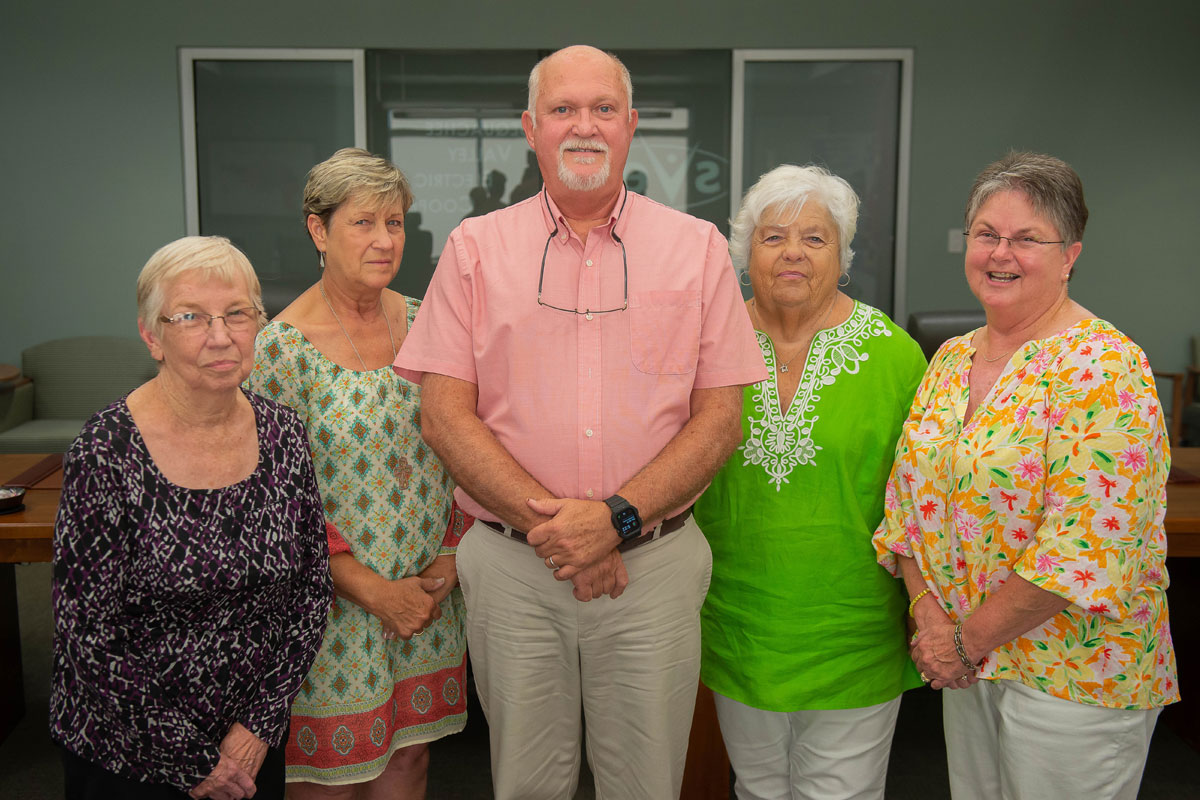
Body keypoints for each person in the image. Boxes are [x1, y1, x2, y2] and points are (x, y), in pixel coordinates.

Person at [394, 45, 767, 799]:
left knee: (646, 786)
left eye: (603, 109)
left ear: (632, 126)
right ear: (531, 128)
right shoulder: (473, 249)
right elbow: (443, 416)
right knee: (527, 784)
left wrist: (618, 520)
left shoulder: (697, 250)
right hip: (514, 573)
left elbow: (720, 420)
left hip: (653, 571)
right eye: (563, 109)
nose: (584, 126)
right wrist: (567, 532)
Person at [873, 152, 1179, 800]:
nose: (1000, 253)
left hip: (1075, 677)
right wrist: (931, 618)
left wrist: (961, 642)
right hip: (972, 662)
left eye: (1026, 239)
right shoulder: (952, 359)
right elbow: (906, 504)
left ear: (1070, 254)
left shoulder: (1106, 366)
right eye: (987, 233)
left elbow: (1083, 548)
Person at [50, 236, 332, 800]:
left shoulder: (283, 434)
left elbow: (310, 592)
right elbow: (89, 633)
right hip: (128, 753)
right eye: (191, 318)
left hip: (248, 746)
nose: (221, 335)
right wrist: (191, 760)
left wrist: (257, 728)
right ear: (151, 335)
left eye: (237, 313)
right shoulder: (106, 449)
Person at [696, 164, 926, 800]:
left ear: (843, 254)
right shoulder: (704, 343)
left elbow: (921, 500)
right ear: (746, 254)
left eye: (815, 238)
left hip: (854, 627)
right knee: (759, 788)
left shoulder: (895, 355)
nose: (793, 251)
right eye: (773, 237)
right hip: (739, 622)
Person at [246, 148, 468, 797]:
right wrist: (371, 590)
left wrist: (452, 558)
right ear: (319, 230)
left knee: (410, 761)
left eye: (394, 223)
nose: (383, 240)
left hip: (429, 594)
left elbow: (469, 444)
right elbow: (276, 502)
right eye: (363, 223)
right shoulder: (281, 350)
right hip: (334, 607)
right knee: (334, 776)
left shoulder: (432, 320)